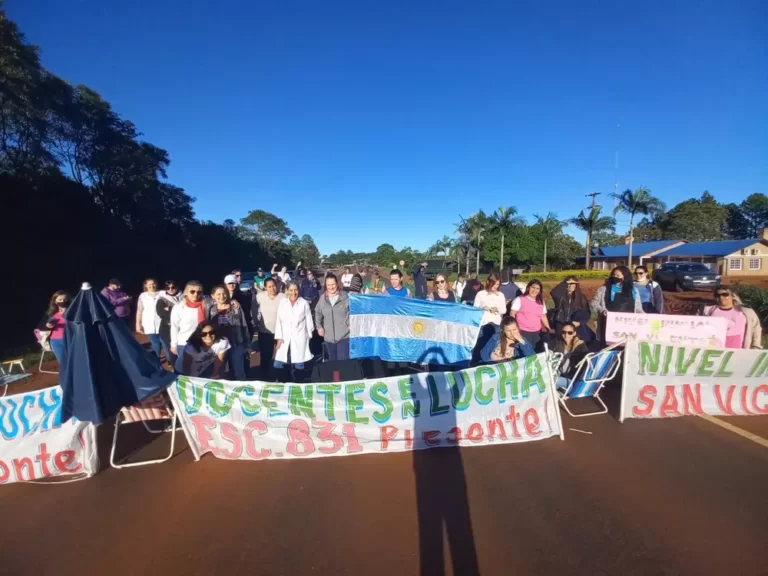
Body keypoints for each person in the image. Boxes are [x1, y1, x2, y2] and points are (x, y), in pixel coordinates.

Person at [206, 285, 250, 380]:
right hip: (219, 345)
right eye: (218, 294)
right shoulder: (210, 309)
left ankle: (242, 391)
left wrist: (247, 345)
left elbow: (244, 325)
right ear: (213, 296)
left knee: (239, 372)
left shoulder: (235, 307)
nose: (222, 296)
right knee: (219, 372)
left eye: (224, 293)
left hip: (236, 343)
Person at [274, 282, 315, 382]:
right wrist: (279, 337)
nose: (293, 293)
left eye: (295, 290)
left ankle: (299, 385)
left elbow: (309, 322)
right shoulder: (283, 303)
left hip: (299, 338)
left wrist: (307, 338)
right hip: (284, 338)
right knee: (278, 363)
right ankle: (284, 383)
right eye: (291, 290)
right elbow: (278, 321)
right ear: (287, 291)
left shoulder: (303, 303)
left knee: (299, 363)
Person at [591, 266, 643, 344]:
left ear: (624, 276)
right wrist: (602, 311)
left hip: (627, 326)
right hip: (608, 325)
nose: (615, 277)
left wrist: (643, 316)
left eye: (618, 275)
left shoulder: (634, 290)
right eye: (613, 275)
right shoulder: (604, 289)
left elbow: (638, 307)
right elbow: (594, 303)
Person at [170, 281, 207, 372]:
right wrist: (173, 345)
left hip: (203, 342)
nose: (196, 294)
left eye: (199, 292)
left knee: (200, 369)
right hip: (184, 343)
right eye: (192, 291)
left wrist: (233, 301)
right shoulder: (179, 307)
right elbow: (174, 327)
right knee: (182, 370)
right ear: (186, 292)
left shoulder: (207, 304)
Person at [254, 277, 286, 380]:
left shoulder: (282, 297)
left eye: (273, 286)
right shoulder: (259, 297)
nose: (272, 288)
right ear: (265, 288)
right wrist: (256, 321)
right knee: (265, 357)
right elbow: (254, 309)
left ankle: (280, 378)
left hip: (280, 332)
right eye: (269, 287)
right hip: (265, 332)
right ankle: (264, 379)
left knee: (280, 357)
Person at [314, 274, 350, 360]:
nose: (331, 287)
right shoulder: (323, 299)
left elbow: (352, 311)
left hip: (344, 336)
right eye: (328, 285)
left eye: (333, 284)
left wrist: (350, 323)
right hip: (329, 337)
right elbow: (318, 312)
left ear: (337, 284)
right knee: (333, 365)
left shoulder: (345, 296)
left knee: (343, 361)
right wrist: (319, 327)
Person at [510, 280, 552, 349]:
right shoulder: (520, 299)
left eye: (537, 288)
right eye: (533, 287)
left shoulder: (541, 302)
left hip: (537, 333)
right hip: (522, 331)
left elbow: (543, 316)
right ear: (528, 288)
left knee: (535, 351)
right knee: (524, 350)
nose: (534, 290)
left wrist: (548, 328)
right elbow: (512, 313)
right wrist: (515, 329)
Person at [550, 321, 590, 390]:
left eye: (570, 332)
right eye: (563, 332)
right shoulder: (557, 343)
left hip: (572, 381)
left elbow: (585, 365)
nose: (566, 335)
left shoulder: (581, 347)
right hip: (559, 374)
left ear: (574, 333)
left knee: (551, 380)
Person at [135, 278, 167, 360]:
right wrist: (138, 324)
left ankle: (170, 360)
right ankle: (157, 361)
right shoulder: (143, 296)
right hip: (149, 324)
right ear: (145, 285)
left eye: (153, 284)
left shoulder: (163, 293)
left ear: (156, 284)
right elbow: (139, 310)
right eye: (149, 284)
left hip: (163, 324)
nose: (152, 286)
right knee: (155, 343)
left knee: (166, 344)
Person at [39, 291, 71, 363]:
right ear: (55, 301)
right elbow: (41, 327)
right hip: (56, 341)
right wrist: (47, 326)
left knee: (74, 361)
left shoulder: (73, 311)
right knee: (63, 363)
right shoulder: (51, 313)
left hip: (70, 339)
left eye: (65, 299)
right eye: (60, 299)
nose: (62, 301)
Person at [156, 281, 181, 366]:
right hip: (167, 328)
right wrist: (174, 310)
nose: (171, 289)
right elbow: (161, 313)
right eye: (168, 288)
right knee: (173, 350)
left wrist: (169, 308)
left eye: (173, 287)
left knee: (183, 349)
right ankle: (175, 370)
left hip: (181, 328)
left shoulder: (183, 296)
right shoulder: (162, 298)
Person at [229, 270, 255, 335]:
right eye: (237, 276)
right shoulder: (228, 289)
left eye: (240, 275)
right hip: (235, 319)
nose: (239, 277)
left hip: (246, 317)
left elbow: (251, 299)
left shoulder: (247, 286)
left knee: (250, 334)